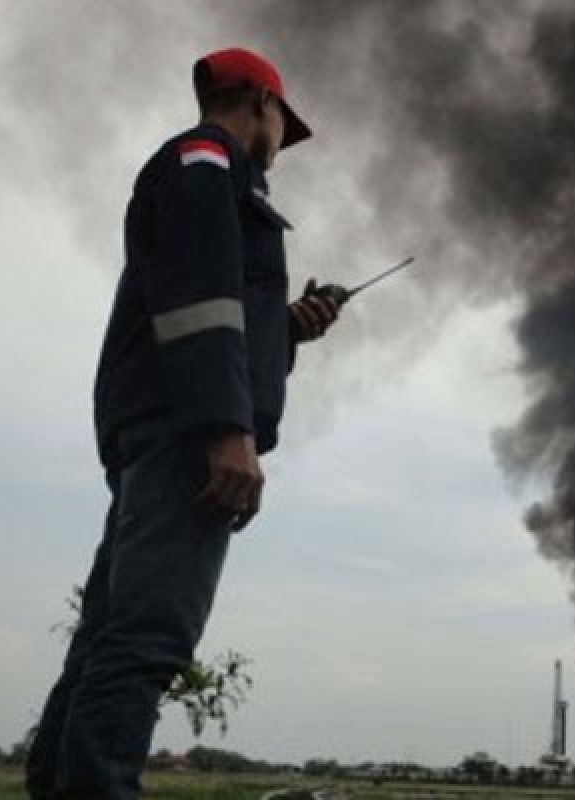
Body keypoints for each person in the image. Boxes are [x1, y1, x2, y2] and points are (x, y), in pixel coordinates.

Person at [25, 47, 341, 800]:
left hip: (164, 425)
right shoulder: (207, 160)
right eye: (279, 125)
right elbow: (200, 300)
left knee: (108, 639)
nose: (278, 144)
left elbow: (203, 301)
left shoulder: (200, 169)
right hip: (187, 434)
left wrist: (288, 326)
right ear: (262, 101)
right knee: (145, 643)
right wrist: (227, 430)